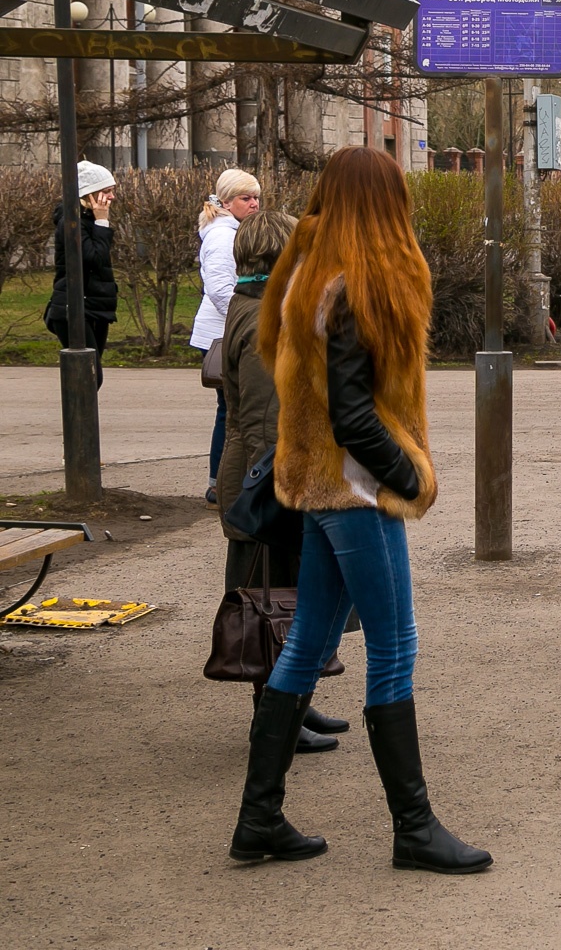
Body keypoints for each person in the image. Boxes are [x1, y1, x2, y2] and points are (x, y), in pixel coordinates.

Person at [230, 146, 489, 874]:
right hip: (355, 490)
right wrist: (411, 474)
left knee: (310, 638)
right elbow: (353, 413)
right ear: (385, 204)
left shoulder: (305, 276)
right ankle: (413, 827)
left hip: (316, 483)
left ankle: (259, 820)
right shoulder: (356, 284)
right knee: (396, 644)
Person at [214, 209, 344, 755]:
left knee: (287, 594)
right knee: (269, 600)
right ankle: (273, 721)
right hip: (264, 480)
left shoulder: (250, 306)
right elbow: (269, 418)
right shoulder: (268, 315)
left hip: (254, 471)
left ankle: (293, 702)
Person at [192, 169, 264, 505]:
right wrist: (252, 320)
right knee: (232, 411)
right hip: (224, 335)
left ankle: (221, 483)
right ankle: (220, 485)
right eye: (245, 198)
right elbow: (221, 291)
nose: (253, 204)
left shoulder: (233, 229)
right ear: (225, 202)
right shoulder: (222, 236)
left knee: (233, 411)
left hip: (228, 331)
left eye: (255, 197)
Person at [43, 160, 118, 390]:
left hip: (94, 307)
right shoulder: (73, 222)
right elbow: (94, 258)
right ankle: (78, 425)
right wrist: (103, 222)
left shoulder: (88, 220)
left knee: (90, 375)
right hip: (74, 309)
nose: (112, 197)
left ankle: (82, 426)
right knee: (89, 375)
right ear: (89, 195)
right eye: (106, 192)